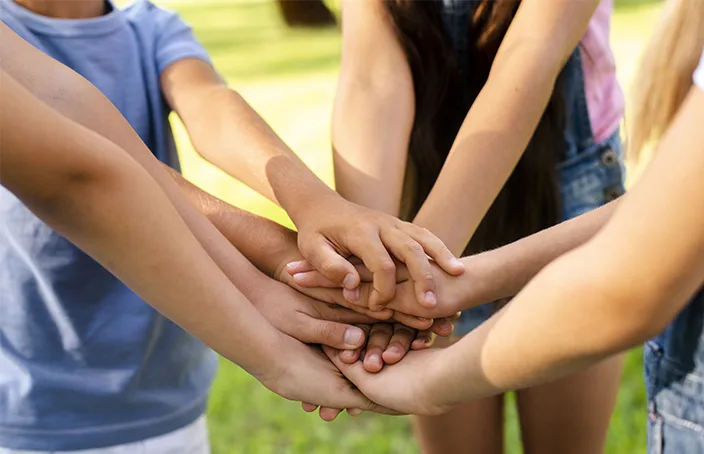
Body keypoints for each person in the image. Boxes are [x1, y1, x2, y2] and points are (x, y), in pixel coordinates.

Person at [0, 2, 451, 450]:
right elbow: (91, 179)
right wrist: (268, 284)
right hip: (29, 406)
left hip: (164, 395)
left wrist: (315, 205)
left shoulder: (148, 26)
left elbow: (210, 107)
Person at [322, 1, 704, 452]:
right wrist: (376, 268)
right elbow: (372, 75)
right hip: (426, 198)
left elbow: (531, 53)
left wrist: (415, 266)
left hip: (564, 196)